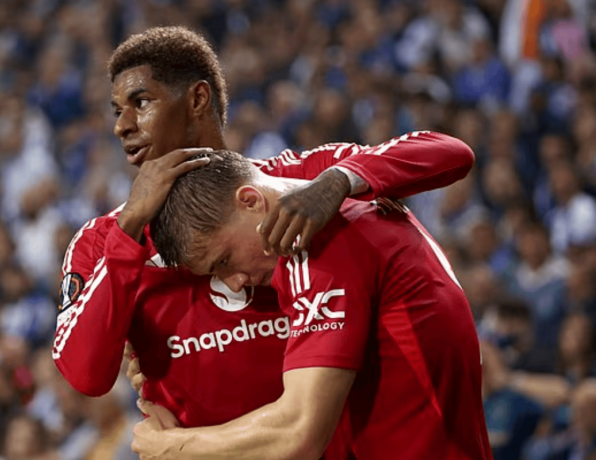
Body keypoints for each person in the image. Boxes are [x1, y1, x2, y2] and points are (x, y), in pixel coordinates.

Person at [52, 25, 476, 448]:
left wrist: (338, 182)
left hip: (309, 441)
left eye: (140, 102)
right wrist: (128, 233)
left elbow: (449, 152)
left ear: (197, 100)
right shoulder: (104, 239)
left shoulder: (292, 183)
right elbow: (86, 376)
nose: (122, 126)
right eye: (116, 111)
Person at [135, 149, 491, 460]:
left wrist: (172, 447)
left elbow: (297, 434)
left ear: (250, 201)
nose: (235, 281)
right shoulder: (357, 204)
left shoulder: (316, 250)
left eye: (224, 260)